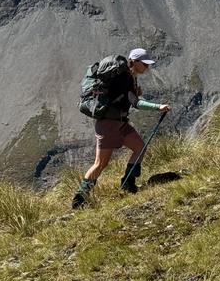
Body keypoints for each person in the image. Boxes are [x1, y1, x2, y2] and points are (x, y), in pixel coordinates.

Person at [72, 47, 171, 209]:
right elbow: (136, 103)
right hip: (109, 125)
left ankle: (128, 184)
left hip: (120, 122)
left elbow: (127, 98)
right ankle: (79, 199)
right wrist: (157, 107)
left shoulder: (130, 78)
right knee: (100, 164)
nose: (147, 67)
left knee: (140, 147)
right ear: (136, 62)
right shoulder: (124, 79)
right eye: (145, 64)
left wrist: (134, 93)